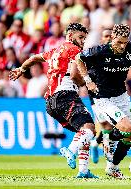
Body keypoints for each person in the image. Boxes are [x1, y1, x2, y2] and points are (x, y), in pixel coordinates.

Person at [9, 23, 98, 179]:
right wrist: (87, 80)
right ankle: (70, 150)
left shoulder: (55, 51)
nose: (83, 41)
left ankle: (83, 171)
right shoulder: (74, 49)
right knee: (89, 128)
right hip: (65, 95)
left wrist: (21, 69)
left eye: (85, 38)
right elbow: (77, 69)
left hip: (51, 102)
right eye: (80, 37)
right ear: (70, 36)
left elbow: (35, 57)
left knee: (83, 131)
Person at [74, 24, 131, 178]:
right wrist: (87, 80)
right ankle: (104, 138)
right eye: (119, 42)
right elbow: (79, 58)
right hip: (103, 98)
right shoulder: (100, 51)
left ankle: (112, 167)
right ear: (112, 38)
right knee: (125, 128)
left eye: (125, 42)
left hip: (122, 96)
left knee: (130, 135)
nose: (122, 46)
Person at [89, 28, 115, 164]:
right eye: (106, 36)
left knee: (112, 126)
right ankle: (108, 158)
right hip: (97, 94)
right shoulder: (96, 54)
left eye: (111, 36)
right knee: (107, 125)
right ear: (102, 39)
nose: (109, 38)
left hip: (113, 94)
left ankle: (95, 143)